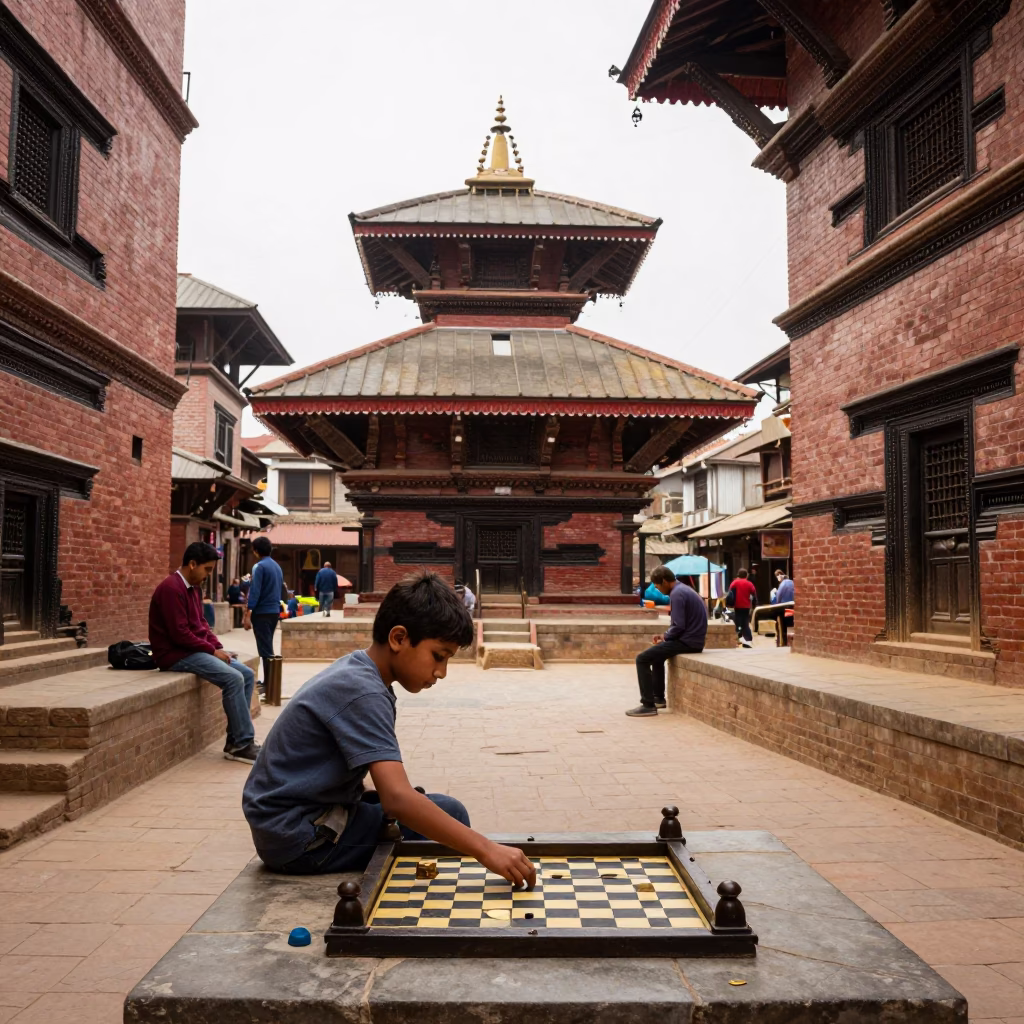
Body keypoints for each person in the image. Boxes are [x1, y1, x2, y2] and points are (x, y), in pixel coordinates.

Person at [242, 571, 537, 888]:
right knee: (446, 816)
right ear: (399, 638)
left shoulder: (360, 672)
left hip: (295, 820)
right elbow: (397, 798)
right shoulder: (363, 691)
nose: (441, 672)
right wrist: (487, 849)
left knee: (437, 810)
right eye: (439, 656)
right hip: (299, 838)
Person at [149, 542, 260, 764]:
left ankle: (234, 742)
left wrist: (217, 647)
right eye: (207, 569)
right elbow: (179, 634)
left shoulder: (193, 588)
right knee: (233, 678)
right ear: (192, 564)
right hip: (174, 654)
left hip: (192, 650)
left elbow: (200, 624)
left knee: (246, 675)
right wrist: (211, 650)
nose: (208, 574)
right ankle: (243, 743)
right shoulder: (171, 589)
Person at [626, 565, 708, 718]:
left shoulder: (677, 594)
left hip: (688, 642)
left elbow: (678, 626)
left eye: (657, 585)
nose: (657, 589)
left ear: (664, 581)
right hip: (693, 639)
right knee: (657, 656)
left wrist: (666, 636)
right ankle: (657, 698)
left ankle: (647, 704)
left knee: (642, 659)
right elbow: (679, 626)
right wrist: (664, 637)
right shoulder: (683, 589)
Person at [244, 536, 285, 691]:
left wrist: (248, 615)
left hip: (261, 613)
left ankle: (269, 684)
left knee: (265, 649)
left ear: (256, 551)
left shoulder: (259, 567)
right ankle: (269, 681)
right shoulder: (277, 567)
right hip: (274, 612)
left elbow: (254, 592)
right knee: (268, 647)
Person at [727, 568, 758, 648]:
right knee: (745, 623)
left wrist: (729, 604)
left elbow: (730, 594)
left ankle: (739, 638)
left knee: (738, 622)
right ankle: (748, 639)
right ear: (746, 575)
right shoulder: (749, 584)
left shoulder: (734, 583)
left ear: (738, 575)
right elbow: (754, 594)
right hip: (746, 606)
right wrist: (755, 605)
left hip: (737, 606)